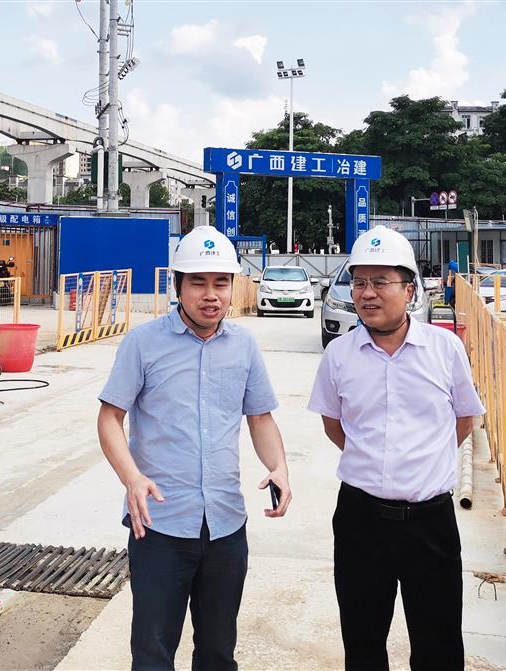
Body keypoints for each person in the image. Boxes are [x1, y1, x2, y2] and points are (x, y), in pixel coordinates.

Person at [97, 225, 292, 671]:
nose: (211, 295)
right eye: (198, 282)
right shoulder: (143, 344)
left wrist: (279, 466)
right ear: (178, 286)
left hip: (225, 526)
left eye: (221, 283)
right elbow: (109, 418)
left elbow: (260, 418)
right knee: (152, 654)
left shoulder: (244, 346)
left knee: (218, 653)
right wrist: (132, 477)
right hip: (159, 527)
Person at [308, 225, 484, 670]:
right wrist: (374, 460)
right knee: (363, 644)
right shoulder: (339, 355)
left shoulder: (445, 349)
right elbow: (334, 424)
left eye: (380, 281)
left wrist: (422, 461)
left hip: (430, 523)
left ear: (410, 290)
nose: (367, 293)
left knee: (439, 647)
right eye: (359, 281)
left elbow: (464, 419)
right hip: (360, 521)